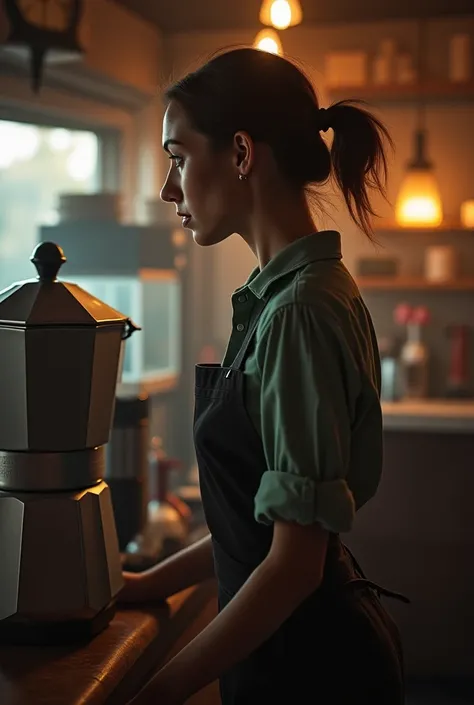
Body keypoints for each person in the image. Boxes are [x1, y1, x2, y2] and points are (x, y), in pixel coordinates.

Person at [121, 47, 408, 705]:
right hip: (289, 655)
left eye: (178, 157)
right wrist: (143, 585)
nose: (169, 188)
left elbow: (291, 564)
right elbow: (254, 522)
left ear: (242, 154)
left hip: (311, 671)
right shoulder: (282, 296)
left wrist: (155, 692)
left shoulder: (299, 313)